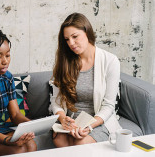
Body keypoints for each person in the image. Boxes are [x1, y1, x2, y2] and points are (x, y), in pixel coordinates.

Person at [50, 13, 122, 147]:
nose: (71, 43)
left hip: (97, 122)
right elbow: (55, 101)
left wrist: (89, 126)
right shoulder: (64, 61)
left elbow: (108, 106)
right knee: (60, 141)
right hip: (69, 124)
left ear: (87, 31)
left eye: (75, 36)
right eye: (67, 39)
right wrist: (62, 118)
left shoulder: (110, 61)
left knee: (81, 143)